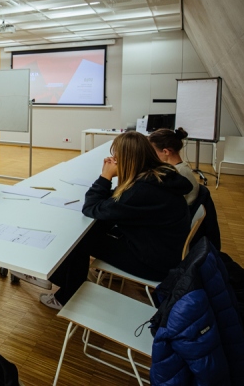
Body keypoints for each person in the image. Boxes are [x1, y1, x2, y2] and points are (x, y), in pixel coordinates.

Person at [40, 131, 192, 310]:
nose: (113, 160)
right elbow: (114, 202)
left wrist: (105, 176)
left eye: (116, 156)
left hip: (153, 263)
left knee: (79, 241)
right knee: (94, 230)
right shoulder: (160, 176)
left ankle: (67, 294)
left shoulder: (141, 191)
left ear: (128, 160)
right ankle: (63, 279)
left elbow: (91, 208)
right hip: (163, 249)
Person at [148, 127, 200, 206]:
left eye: (153, 151)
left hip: (179, 212)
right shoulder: (177, 167)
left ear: (166, 152)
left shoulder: (179, 172)